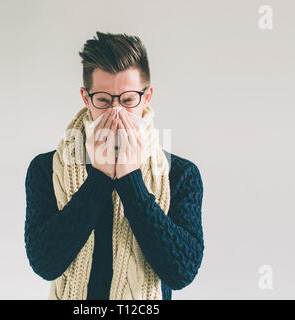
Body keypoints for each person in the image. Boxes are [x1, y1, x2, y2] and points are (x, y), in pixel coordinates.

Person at [24, 31, 204, 300]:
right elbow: (45, 264)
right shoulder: (46, 169)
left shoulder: (179, 174)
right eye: (104, 101)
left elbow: (180, 272)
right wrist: (99, 177)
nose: (116, 113)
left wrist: (131, 180)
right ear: (86, 99)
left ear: (147, 96)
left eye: (128, 100)